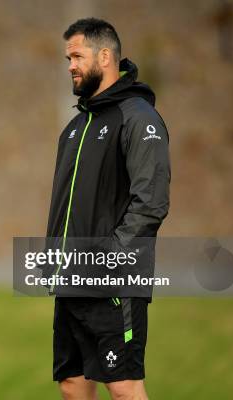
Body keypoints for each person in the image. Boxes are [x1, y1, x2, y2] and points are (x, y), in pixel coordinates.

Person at [47, 18, 170, 399]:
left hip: (114, 282)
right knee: (72, 384)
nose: (70, 65)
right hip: (73, 280)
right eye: (68, 57)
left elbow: (150, 204)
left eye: (77, 56)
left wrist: (108, 259)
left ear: (105, 56)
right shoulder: (76, 126)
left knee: (124, 387)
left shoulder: (138, 118)